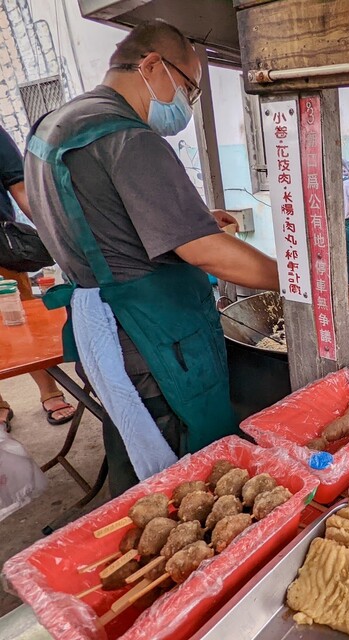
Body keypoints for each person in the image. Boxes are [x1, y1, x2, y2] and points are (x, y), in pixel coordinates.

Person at [25, 20, 278, 494]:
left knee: (130, 441)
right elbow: (207, 252)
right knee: (185, 475)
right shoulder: (130, 138)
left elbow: (96, 216)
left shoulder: (55, 126)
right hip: (153, 341)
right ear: (151, 65)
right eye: (190, 88)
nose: (189, 102)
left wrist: (191, 216)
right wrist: (298, 279)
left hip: (102, 328)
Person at [0, 125, 76, 432]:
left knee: (20, 322)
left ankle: (49, 390)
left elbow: (21, 190)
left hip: (1, 252)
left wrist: (60, 240)